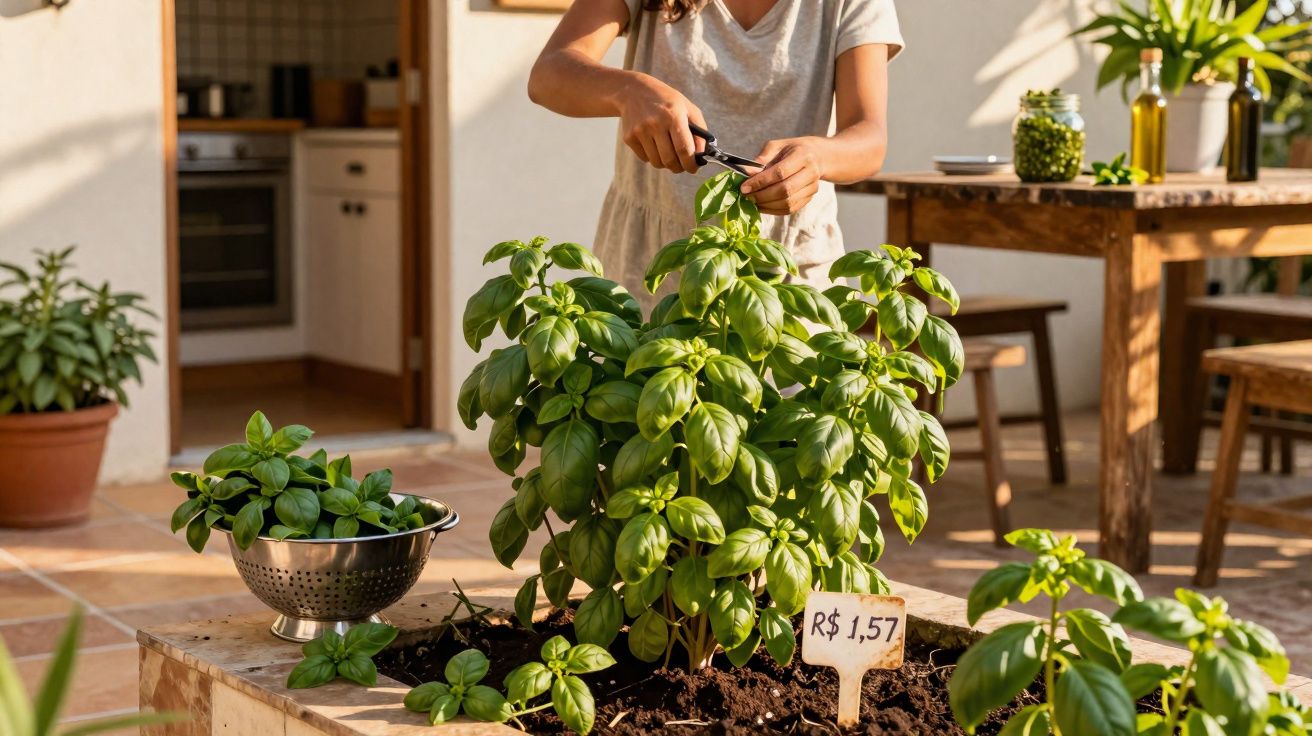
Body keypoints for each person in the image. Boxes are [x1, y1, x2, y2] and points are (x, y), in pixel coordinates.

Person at [527, 0, 903, 303]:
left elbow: (869, 137)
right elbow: (549, 74)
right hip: (651, 266)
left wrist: (818, 157)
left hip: (789, 267)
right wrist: (627, 91)